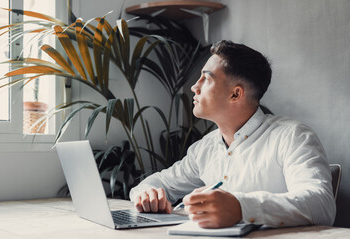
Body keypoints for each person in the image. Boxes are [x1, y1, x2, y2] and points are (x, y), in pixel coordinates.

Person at [129, 40, 336, 228]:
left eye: (206, 79)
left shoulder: (293, 136)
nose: (194, 86)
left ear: (235, 93)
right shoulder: (204, 148)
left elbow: (321, 204)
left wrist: (241, 207)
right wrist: (146, 194)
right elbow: (155, 183)